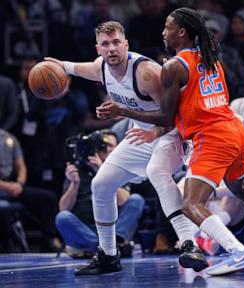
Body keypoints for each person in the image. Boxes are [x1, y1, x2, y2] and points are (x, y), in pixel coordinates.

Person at [97, 7, 244, 275]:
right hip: (236, 130)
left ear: (181, 32)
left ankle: (238, 252)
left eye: (168, 27)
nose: (163, 32)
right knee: (243, 189)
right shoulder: (210, 57)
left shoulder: (173, 67)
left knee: (191, 205)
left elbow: (165, 117)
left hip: (212, 135)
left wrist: (121, 110)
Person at [46, 20, 205, 276]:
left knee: (158, 173)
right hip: (141, 135)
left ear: (126, 44)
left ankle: (190, 245)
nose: (112, 49)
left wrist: (147, 128)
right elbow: (79, 68)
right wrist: (59, 66)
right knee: (101, 184)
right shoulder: (102, 68)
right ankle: (108, 254)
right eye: (106, 44)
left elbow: (175, 115)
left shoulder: (146, 73)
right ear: (98, 48)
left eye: (117, 42)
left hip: (171, 133)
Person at [55, 129, 145, 257]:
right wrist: (74, 183)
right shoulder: (77, 170)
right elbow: (63, 209)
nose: (107, 149)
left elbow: (124, 200)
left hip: (112, 230)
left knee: (136, 200)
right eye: (103, 146)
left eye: (111, 146)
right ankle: (107, 248)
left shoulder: (120, 170)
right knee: (62, 217)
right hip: (85, 230)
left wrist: (102, 171)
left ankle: (109, 245)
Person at [0, 129, 60, 252]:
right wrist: (7, 186)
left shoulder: (8, 137)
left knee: (48, 198)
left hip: (12, 186)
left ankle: (49, 241)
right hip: (4, 187)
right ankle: (8, 247)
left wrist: (20, 184)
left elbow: (21, 166)